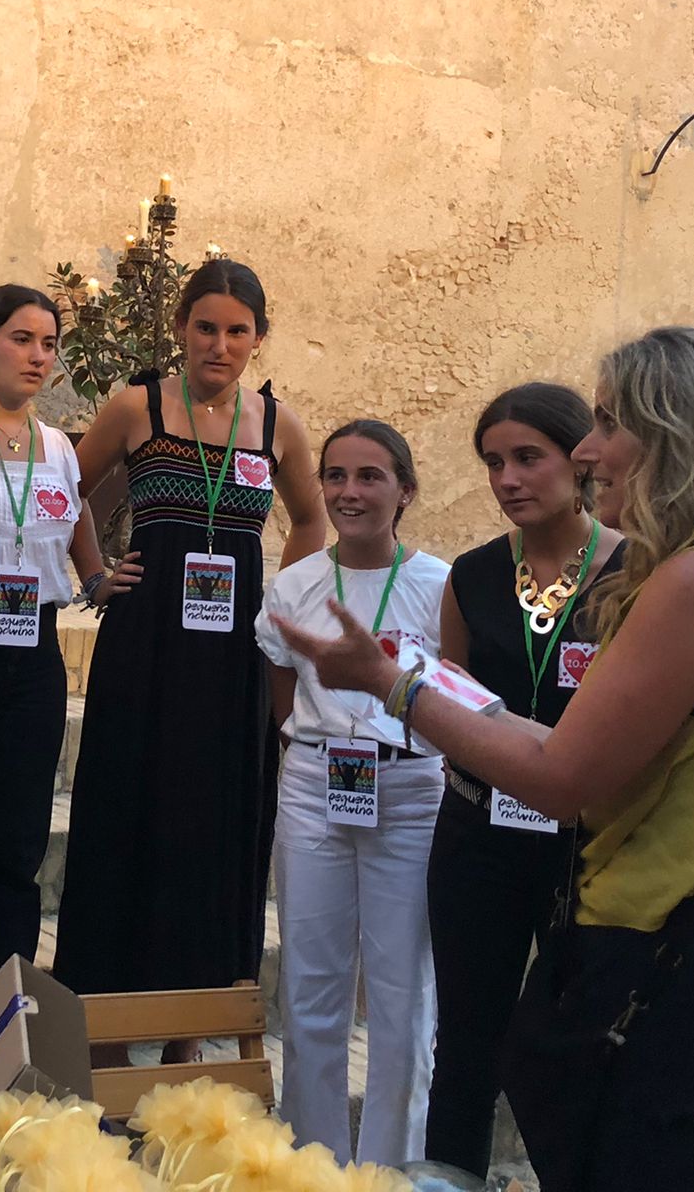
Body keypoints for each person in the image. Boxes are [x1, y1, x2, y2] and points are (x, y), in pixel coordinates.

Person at [278, 326, 694, 1191]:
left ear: (676, 434)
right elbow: (564, 745)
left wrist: (391, 688)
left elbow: (562, 781)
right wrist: (394, 682)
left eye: (608, 422)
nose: (590, 450)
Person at [53, 259, 326, 1049]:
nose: (220, 343)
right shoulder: (137, 404)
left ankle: (186, 1034)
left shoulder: (276, 424)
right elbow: (66, 490)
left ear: (259, 339)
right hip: (145, 651)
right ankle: (101, 1031)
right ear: (181, 329)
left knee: (214, 827)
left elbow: (309, 519)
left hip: (234, 655)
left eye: (238, 330)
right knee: (124, 814)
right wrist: (96, 571)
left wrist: (283, 603)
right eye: (206, 326)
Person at [423, 383, 625, 1183]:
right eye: (493, 462)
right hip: (479, 838)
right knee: (466, 1039)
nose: (508, 478)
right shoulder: (471, 576)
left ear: (578, 457)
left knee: (574, 1043)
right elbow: (456, 702)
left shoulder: (637, 572)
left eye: (528, 458)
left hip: (587, 846)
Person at [255, 420, 450, 1166]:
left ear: (405, 490)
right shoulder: (295, 583)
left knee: (402, 995)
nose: (349, 492)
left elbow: (457, 694)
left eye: (370, 476)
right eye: (334, 476)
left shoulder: (441, 585)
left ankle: (393, 1169)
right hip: (316, 787)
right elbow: (282, 682)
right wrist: (314, 741)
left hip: (409, 791)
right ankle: (315, 1163)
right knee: (310, 985)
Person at [0, 284, 107, 980]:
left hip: (33, 649)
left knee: (15, 839)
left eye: (47, 343)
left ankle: (2, 990)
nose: (38, 356)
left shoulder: (60, 446)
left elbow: (78, 513)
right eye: (20, 339)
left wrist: (95, 577)